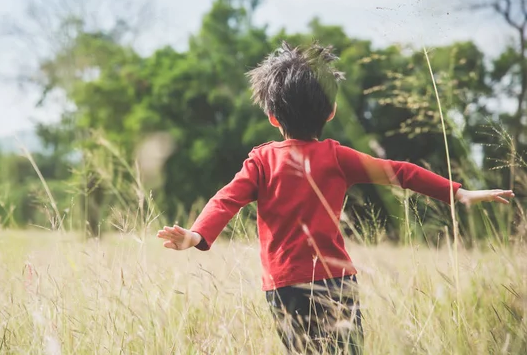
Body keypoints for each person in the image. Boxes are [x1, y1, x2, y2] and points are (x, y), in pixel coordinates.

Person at [156, 42, 514, 354]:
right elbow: (401, 171)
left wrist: (196, 236)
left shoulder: (262, 160)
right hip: (338, 283)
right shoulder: (338, 156)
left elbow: (225, 200)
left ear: (271, 117)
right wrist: (459, 193)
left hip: (284, 288)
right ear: (331, 112)